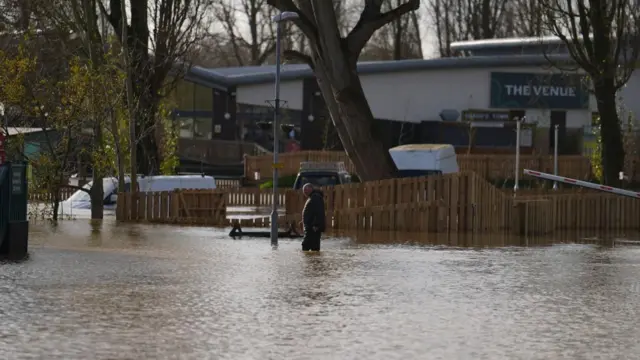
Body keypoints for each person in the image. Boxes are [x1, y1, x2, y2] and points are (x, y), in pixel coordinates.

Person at [301, 183, 325, 251]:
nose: (304, 192)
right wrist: (303, 220)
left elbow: (319, 212)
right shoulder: (313, 197)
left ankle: (311, 260)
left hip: (312, 227)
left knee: (306, 245)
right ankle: (314, 260)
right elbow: (311, 212)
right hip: (311, 227)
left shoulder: (315, 197)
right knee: (314, 247)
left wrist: (316, 225)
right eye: (303, 191)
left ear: (311, 189)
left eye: (306, 190)